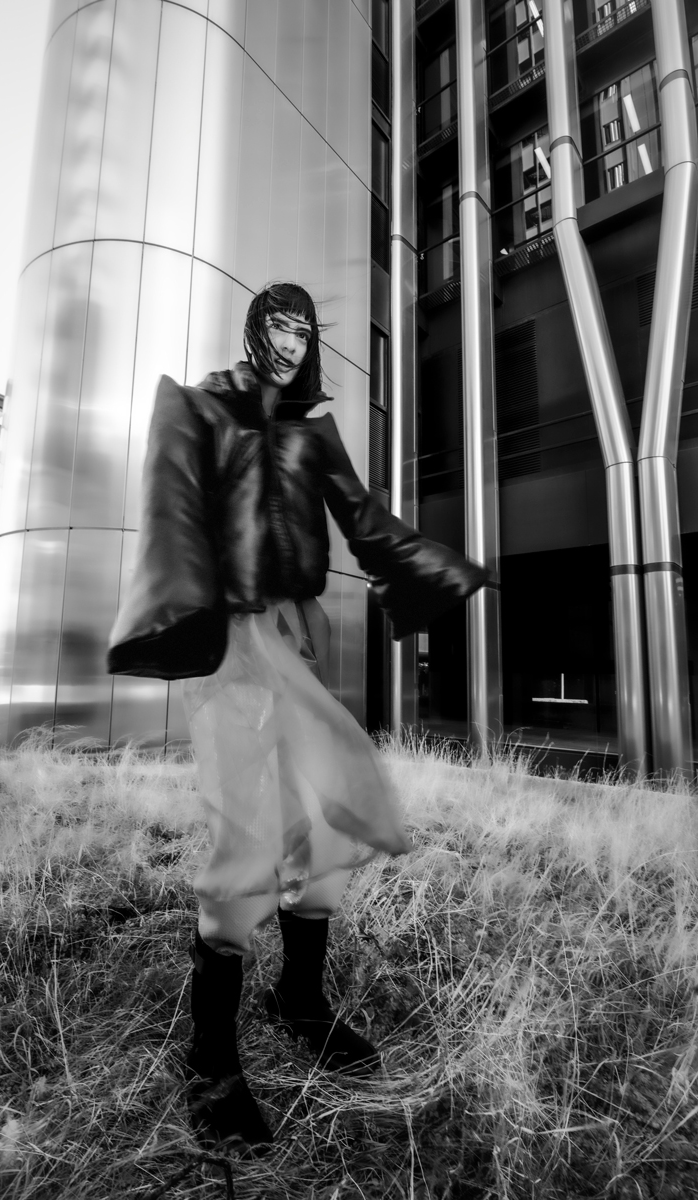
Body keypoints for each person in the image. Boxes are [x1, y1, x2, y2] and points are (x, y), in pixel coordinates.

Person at [107, 282, 488, 1155]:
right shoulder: (201, 409)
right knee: (247, 837)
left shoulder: (313, 427)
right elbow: (172, 511)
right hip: (233, 639)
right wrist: (181, 619)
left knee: (324, 818)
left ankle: (300, 1001)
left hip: (299, 630)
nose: (291, 342)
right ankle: (210, 1058)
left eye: (304, 331)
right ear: (255, 329)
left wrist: (433, 565)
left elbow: (362, 516)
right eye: (279, 326)